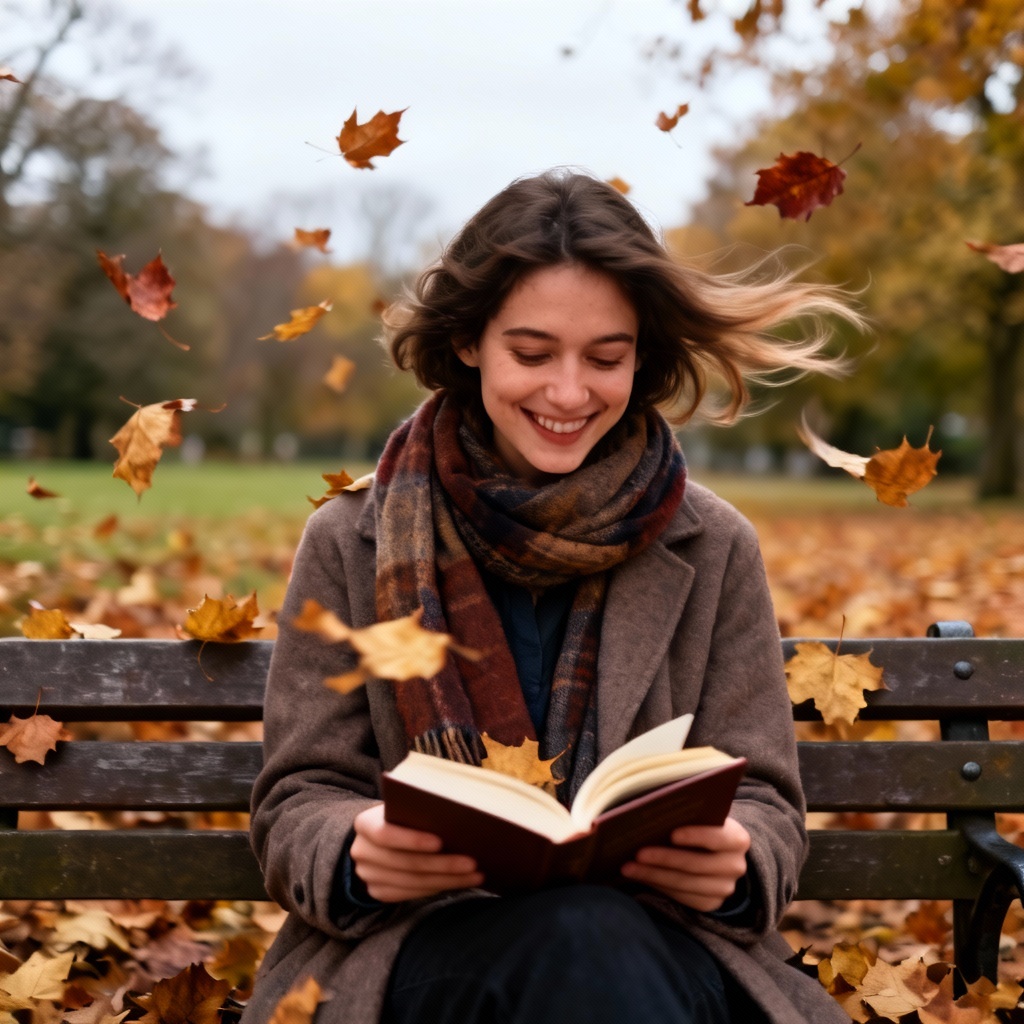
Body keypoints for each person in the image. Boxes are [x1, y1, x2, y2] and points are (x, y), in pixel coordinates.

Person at [241, 168, 862, 1024]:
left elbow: (767, 802)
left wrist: (738, 860)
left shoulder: (714, 546)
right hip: (425, 959)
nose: (569, 394)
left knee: (592, 937)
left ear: (641, 357)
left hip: (669, 958)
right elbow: (298, 799)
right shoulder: (353, 541)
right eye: (531, 354)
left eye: (605, 359)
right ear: (467, 342)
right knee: (579, 938)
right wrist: (356, 855)